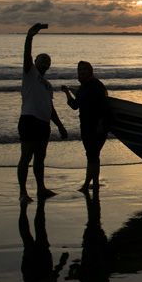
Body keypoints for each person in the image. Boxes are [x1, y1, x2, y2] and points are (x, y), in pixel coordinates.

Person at [17, 23, 68, 203]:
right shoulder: (30, 73)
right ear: (36, 62)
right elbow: (26, 56)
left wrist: (60, 126)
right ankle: (23, 193)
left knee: (40, 158)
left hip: (43, 124)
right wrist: (30, 36)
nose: (45, 62)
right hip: (29, 120)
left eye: (48, 61)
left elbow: (50, 108)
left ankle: (41, 189)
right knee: (26, 156)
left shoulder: (47, 85)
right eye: (42, 59)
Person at [62, 61, 109, 193]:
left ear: (90, 71)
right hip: (86, 126)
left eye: (84, 70)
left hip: (96, 127)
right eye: (79, 70)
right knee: (93, 156)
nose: (81, 72)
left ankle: (88, 184)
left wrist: (101, 125)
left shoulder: (96, 85)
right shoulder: (83, 87)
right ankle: (94, 183)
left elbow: (104, 107)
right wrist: (66, 92)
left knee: (92, 156)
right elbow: (74, 105)